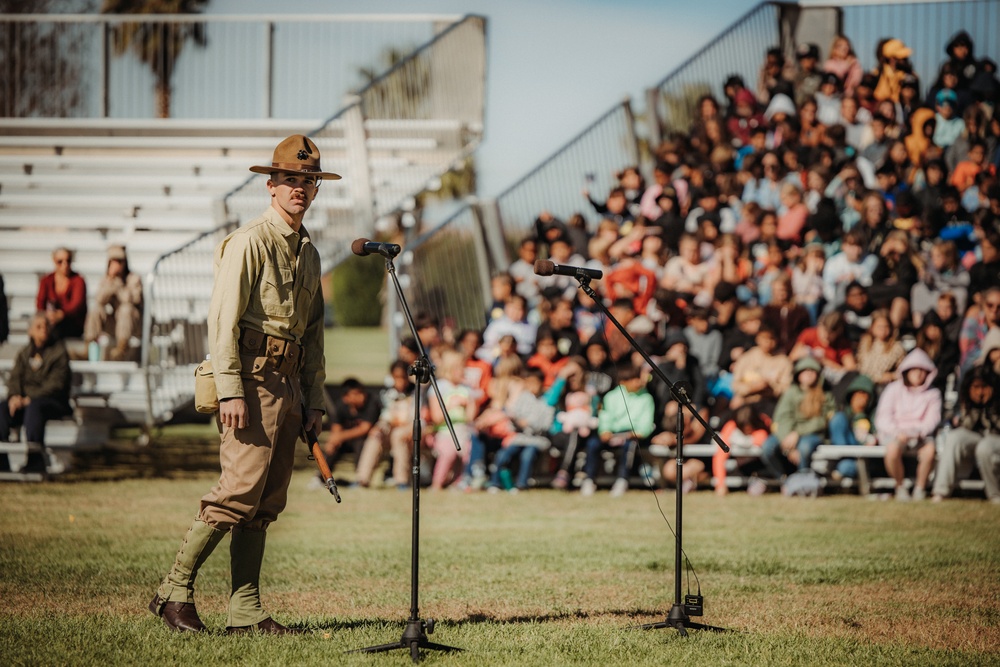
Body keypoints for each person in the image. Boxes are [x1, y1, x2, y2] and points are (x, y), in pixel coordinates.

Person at [149, 134, 334, 634]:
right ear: (271, 185)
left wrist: (314, 400)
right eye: (291, 179)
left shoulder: (309, 253)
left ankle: (245, 612)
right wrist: (230, 388)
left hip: (289, 384)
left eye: (309, 181)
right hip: (250, 381)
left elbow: (312, 336)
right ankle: (174, 590)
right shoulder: (250, 240)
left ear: (316, 190)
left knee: (266, 500)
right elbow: (222, 320)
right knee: (237, 492)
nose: (300, 188)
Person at [0, 313, 71, 470]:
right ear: (30, 331)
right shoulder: (25, 353)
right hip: (24, 402)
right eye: (38, 327)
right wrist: (14, 396)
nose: (43, 330)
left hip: (52, 402)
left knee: (35, 409)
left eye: (46, 326)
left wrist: (29, 398)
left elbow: (56, 385)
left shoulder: (58, 353)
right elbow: (15, 378)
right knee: (2, 409)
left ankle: (35, 460)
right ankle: (2, 461)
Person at [874, 348, 942, 501]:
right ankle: (900, 487)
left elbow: (933, 419)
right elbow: (882, 417)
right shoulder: (893, 389)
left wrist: (918, 432)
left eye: (922, 370)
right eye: (914, 370)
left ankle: (920, 488)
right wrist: (897, 432)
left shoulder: (933, 393)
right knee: (892, 451)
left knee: (930, 451)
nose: (918, 374)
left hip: (920, 435)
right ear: (906, 371)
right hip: (896, 434)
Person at [581, 363, 655, 498]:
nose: (637, 382)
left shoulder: (646, 398)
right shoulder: (611, 396)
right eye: (632, 379)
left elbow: (646, 424)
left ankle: (622, 480)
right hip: (612, 433)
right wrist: (605, 431)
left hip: (632, 435)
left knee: (630, 446)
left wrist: (637, 433)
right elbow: (605, 416)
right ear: (623, 382)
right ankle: (589, 479)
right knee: (593, 444)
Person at [931, 364, 1000, 503]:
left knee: (984, 447)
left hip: (995, 438)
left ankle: (995, 494)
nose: (980, 392)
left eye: (984, 387)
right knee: (954, 437)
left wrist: (990, 409)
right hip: (975, 436)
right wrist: (975, 408)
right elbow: (963, 424)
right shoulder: (965, 398)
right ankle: (941, 491)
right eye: (976, 387)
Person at [760, 356, 834, 482]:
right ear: (799, 375)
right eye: (805, 371)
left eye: (812, 371)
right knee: (768, 447)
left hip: (813, 434)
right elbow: (782, 418)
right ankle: (783, 480)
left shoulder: (825, 395)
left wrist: (798, 434)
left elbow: (823, 421)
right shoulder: (790, 393)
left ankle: (803, 481)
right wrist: (787, 439)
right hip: (788, 434)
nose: (809, 374)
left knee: (805, 447)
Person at [354, 361, 414, 489]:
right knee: (375, 437)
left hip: (407, 431)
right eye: (397, 377)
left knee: (398, 436)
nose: (401, 381)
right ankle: (362, 478)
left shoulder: (415, 392)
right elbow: (385, 417)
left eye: (403, 377)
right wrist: (379, 427)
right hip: (390, 429)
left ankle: (401, 481)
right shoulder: (386, 394)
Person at [83, 244, 143, 361]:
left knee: (125, 309)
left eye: (120, 261)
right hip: (115, 323)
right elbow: (99, 300)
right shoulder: (107, 279)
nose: (117, 265)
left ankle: (122, 348)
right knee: (96, 309)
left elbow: (132, 300)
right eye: (114, 261)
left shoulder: (134, 278)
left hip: (132, 323)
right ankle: (88, 348)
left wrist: (119, 285)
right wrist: (110, 282)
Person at [827, 373, 878, 482]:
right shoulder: (841, 414)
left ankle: (838, 471)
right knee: (838, 419)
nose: (860, 398)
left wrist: (860, 415)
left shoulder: (872, 416)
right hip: (843, 454)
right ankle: (840, 462)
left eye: (864, 394)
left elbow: (872, 437)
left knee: (846, 467)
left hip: (862, 457)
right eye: (858, 393)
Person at [35, 247, 87, 341]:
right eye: (60, 261)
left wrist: (61, 314)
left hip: (72, 324)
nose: (65, 265)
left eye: (68, 261)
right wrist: (47, 316)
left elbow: (77, 305)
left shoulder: (78, 280)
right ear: (54, 261)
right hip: (50, 322)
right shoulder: (46, 281)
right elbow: (40, 303)